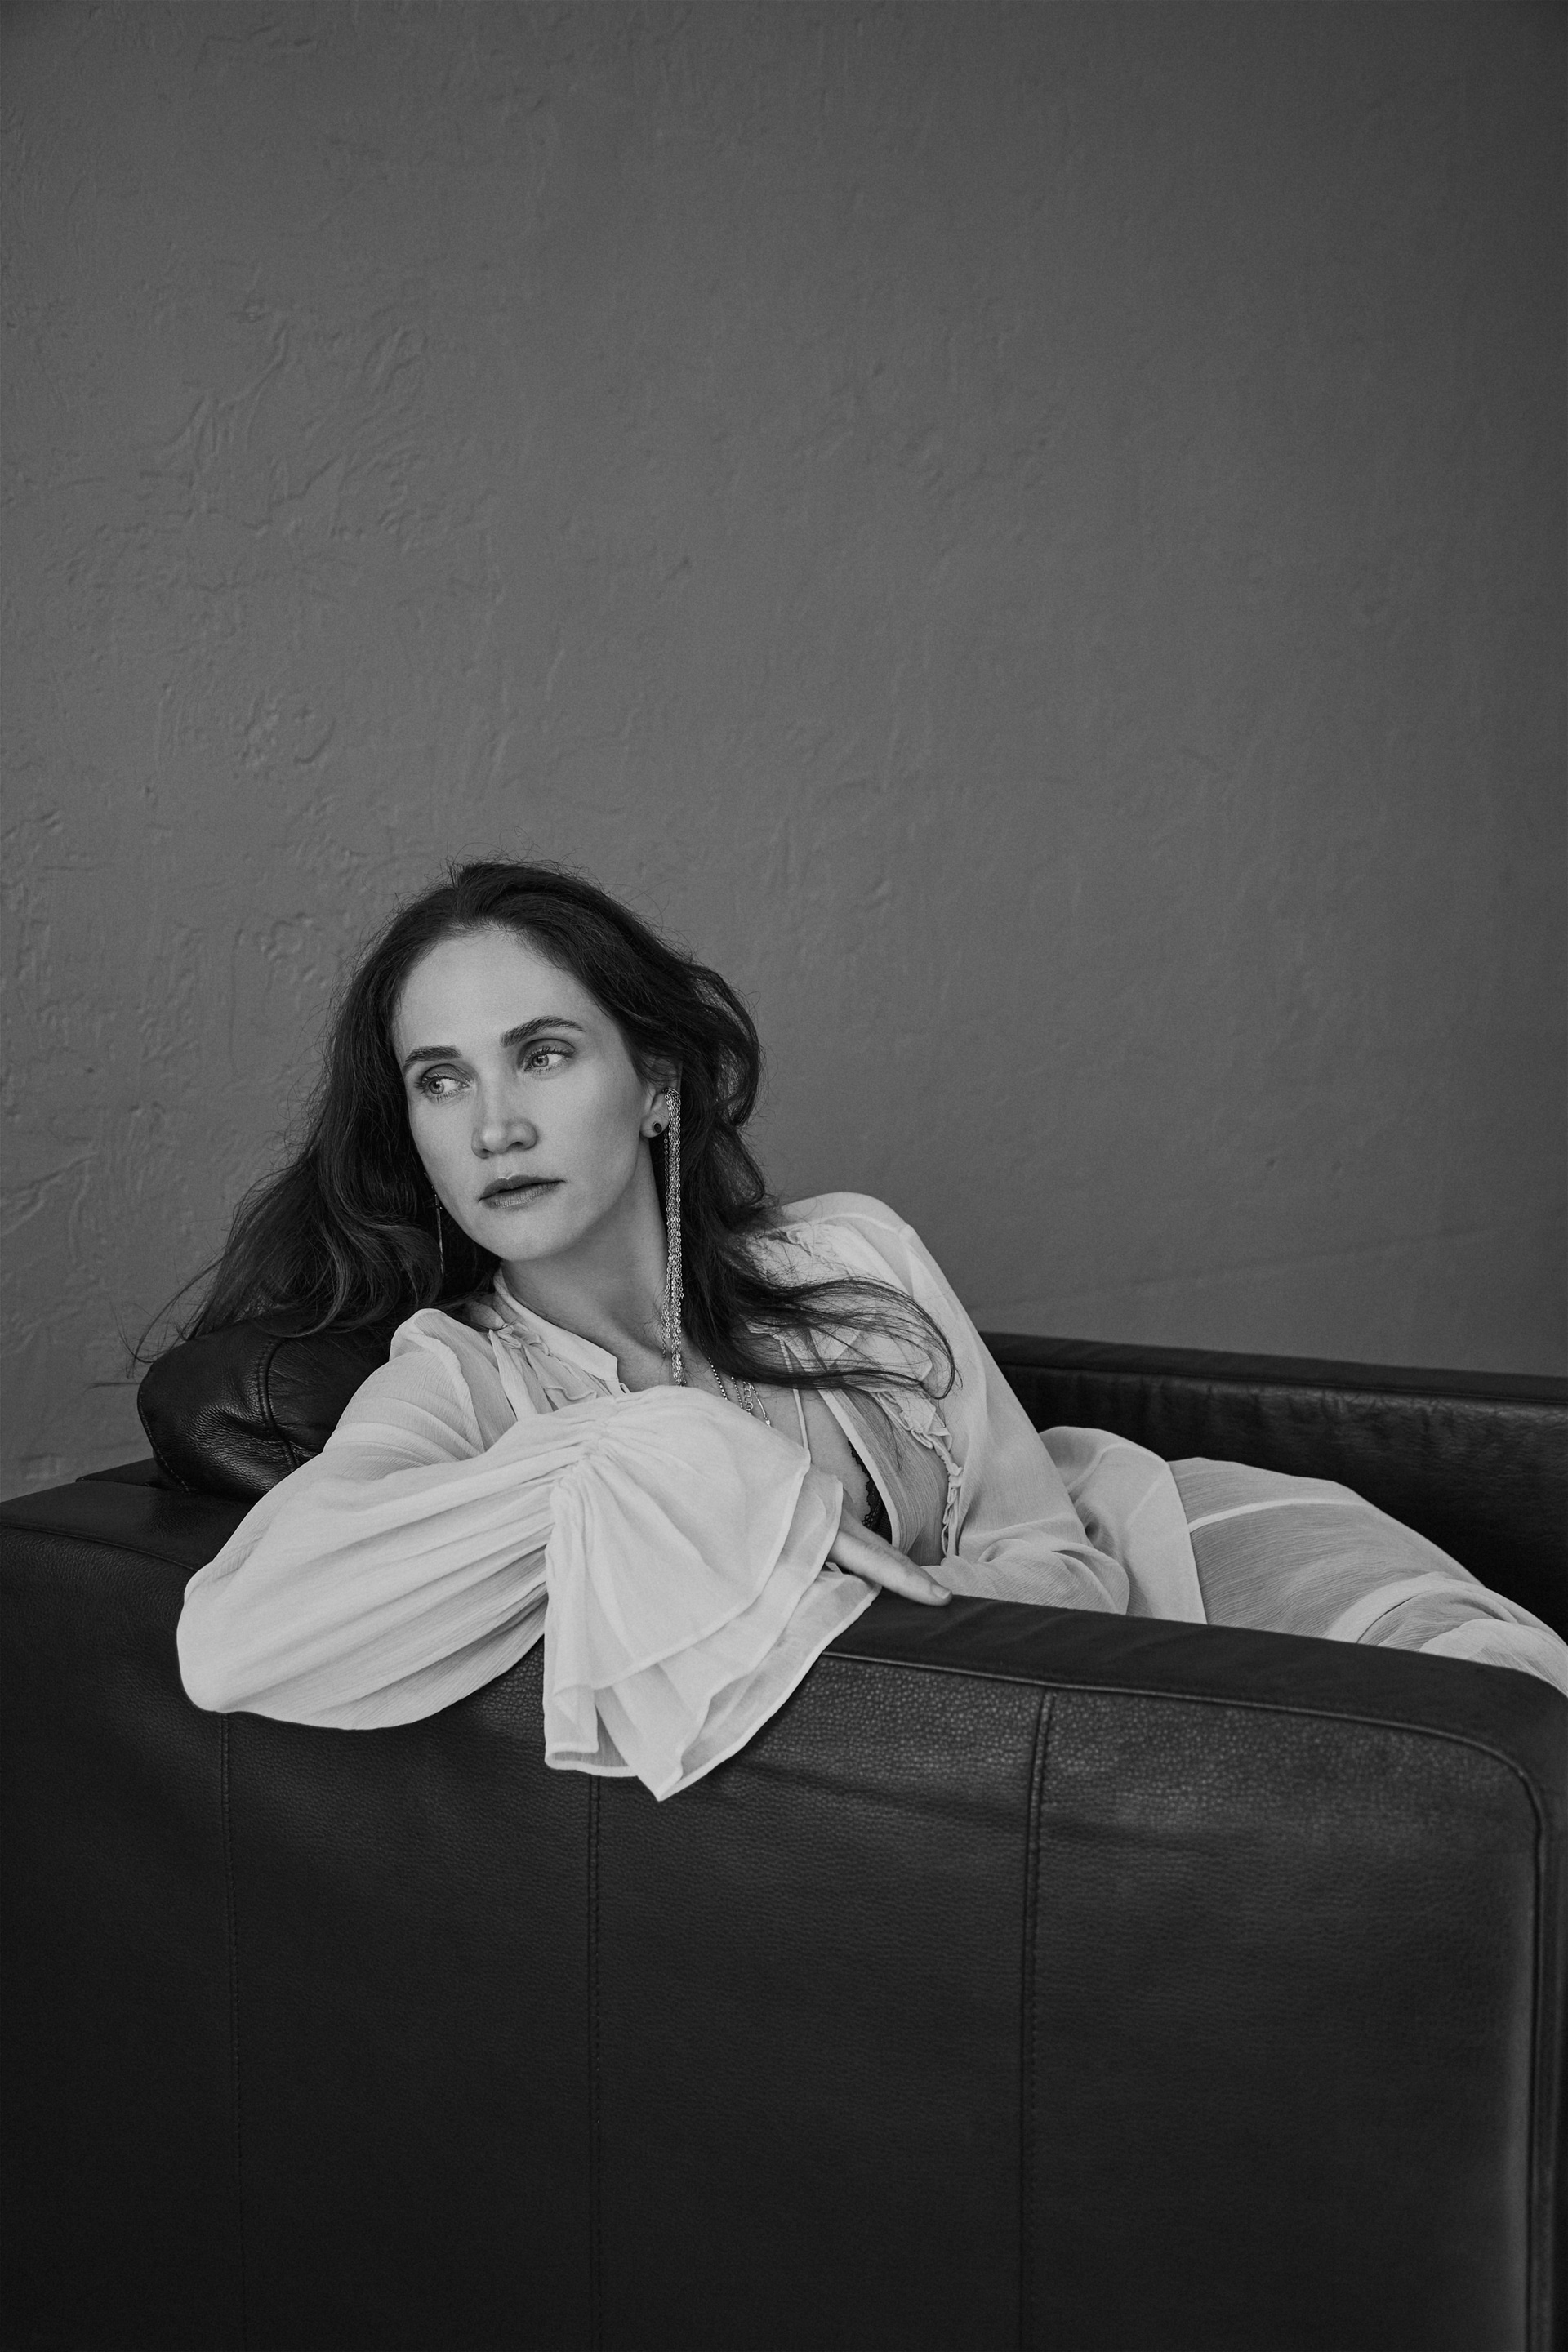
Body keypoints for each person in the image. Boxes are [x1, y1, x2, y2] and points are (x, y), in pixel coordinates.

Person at [175, 862, 1567, 1798]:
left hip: (1171, 1565)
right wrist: (637, 1450)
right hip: (995, 1772)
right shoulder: (457, 1377)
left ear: (655, 1086)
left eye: (543, 1054)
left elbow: (1069, 1569)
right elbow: (234, 1643)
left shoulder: (847, 1254)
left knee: (1508, 1719)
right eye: (440, 1080)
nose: (494, 1126)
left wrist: (850, 1584)